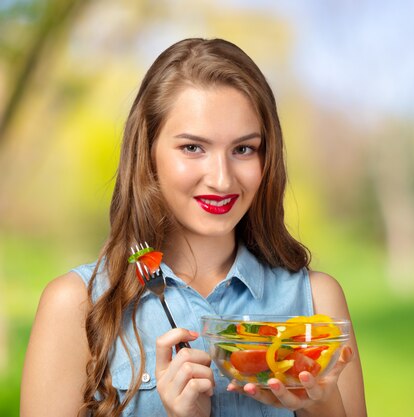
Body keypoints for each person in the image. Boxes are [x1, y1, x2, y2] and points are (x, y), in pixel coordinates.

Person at [20, 38, 367, 417]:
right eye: (192, 148)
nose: (221, 179)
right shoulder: (75, 306)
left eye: (244, 149)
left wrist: (321, 405)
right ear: (148, 152)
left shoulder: (317, 301)